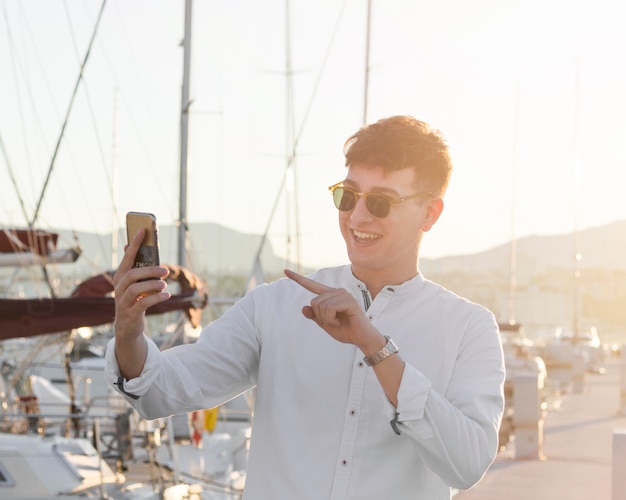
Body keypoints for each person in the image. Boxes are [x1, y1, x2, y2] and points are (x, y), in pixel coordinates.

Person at [105, 115, 505, 499]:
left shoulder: (469, 328)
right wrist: (128, 334)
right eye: (348, 196)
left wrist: (377, 349)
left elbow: (467, 464)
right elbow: (162, 392)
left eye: (381, 202)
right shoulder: (274, 306)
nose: (357, 216)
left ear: (429, 213)